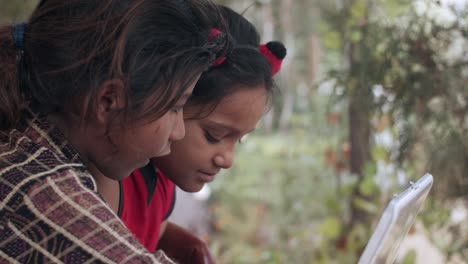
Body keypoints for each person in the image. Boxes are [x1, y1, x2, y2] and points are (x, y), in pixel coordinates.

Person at [0, 0, 229, 262]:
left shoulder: (19, 132)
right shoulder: (42, 202)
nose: (178, 132)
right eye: (175, 107)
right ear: (108, 100)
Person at [98, 6, 287, 263]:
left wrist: (180, 242)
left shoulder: (162, 176)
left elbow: (153, 227)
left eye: (239, 139)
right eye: (213, 135)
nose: (227, 159)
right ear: (171, 101)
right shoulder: (112, 176)